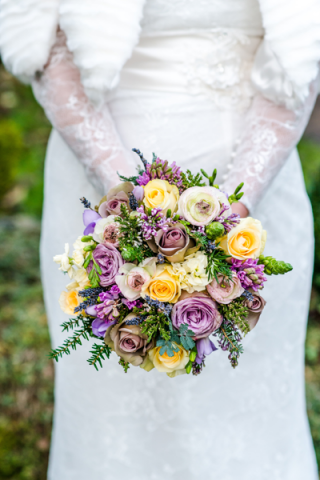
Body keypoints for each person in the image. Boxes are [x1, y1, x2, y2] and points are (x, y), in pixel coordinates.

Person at [1, 0, 319, 478]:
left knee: (245, 413)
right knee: (111, 416)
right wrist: (129, 210)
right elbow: (44, 42)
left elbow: (301, 52)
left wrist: (233, 214)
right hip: (97, 203)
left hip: (258, 198)